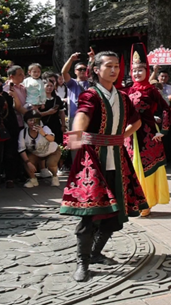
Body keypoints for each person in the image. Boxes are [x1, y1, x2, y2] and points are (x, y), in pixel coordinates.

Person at [61, 51, 148, 282]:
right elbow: (82, 115)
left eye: (117, 66)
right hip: (93, 160)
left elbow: (136, 121)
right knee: (90, 213)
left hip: (117, 158)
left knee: (115, 209)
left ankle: (96, 253)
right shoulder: (90, 95)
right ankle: (83, 261)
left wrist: (121, 137)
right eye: (108, 66)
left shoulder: (123, 97)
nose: (114, 70)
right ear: (96, 70)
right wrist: (76, 135)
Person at [124, 44, 171, 217]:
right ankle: (134, 201)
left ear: (147, 71)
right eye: (134, 70)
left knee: (146, 170)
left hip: (148, 135)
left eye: (140, 70)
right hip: (130, 136)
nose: (137, 74)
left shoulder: (151, 90)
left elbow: (166, 109)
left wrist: (163, 131)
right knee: (132, 169)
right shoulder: (129, 90)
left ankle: (147, 202)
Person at [62, 50, 93, 172]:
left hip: (90, 116)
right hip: (74, 117)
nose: (82, 71)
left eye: (84, 69)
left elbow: (94, 72)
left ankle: (89, 166)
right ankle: (76, 167)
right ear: (75, 71)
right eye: (79, 69)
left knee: (90, 142)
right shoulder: (72, 83)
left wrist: (92, 59)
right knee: (75, 144)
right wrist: (71, 59)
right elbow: (64, 72)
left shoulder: (91, 83)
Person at [19, 109, 62, 188]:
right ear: (26, 122)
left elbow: (52, 139)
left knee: (51, 163)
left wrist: (43, 133)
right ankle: (33, 179)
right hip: (37, 153)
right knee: (27, 161)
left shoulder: (45, 128)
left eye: (35, 120)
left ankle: (55, 177)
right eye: (30, 120)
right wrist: (28, 162)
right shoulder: (23, 132)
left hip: (52, 151)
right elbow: (21, 149)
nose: (33, 122)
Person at [39, 73, 66, 173]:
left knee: (57, 145)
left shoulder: (57, 99)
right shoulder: (39, 99)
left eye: (51, 86)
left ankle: (57, 167)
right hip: (43, 125)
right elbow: (35, 114)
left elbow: (62, 113)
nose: (49, 88)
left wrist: (63, 125)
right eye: (47, 86)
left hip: (55, 124)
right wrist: (47, 113)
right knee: (43, 145)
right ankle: (43, 168)